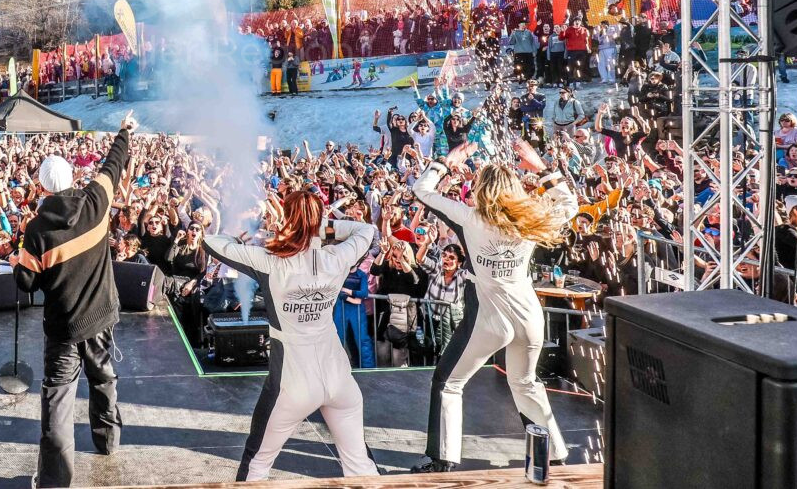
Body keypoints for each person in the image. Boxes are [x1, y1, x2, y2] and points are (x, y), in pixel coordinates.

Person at [409, 140, 578, 474]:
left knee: (448, 383)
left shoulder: (470, 219)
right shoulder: (532, 217)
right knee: (526, 384)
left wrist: (445, 162)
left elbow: (422, 191)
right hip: (529, 315)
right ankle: (551, 455)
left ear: (480, 190)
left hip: (489, 318)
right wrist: (542, 168)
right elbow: (570, 204)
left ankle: (442, 459)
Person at [203, 191, 379, 481]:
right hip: (338, 377)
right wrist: (320, 227)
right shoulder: (337, 256)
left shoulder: (270, 261)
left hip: (292, 384)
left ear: (286, 218)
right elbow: (367, 230)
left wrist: (236, 238)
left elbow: (211, 242)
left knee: (257, 463)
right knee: (360, 465)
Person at [12, 112, 136, 488]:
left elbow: (25, 283)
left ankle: (54, 480)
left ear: (42, 187)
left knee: (58, 400)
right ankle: (107, 441)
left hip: (63, 328)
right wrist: (124, 132)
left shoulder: (36, 230)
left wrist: (20, 254)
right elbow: (112, 165)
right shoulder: (96, 200)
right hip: (100, 317)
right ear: (72, 179)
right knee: (103, 378)